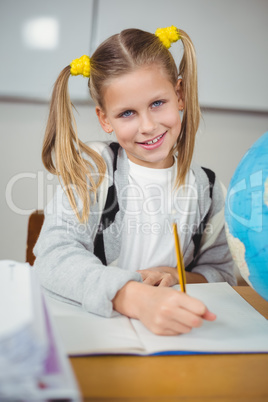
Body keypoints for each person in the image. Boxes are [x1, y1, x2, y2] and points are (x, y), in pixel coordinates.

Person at [34, 26, 236, 336]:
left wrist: (176, 275)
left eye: (158, 103)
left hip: (174, 338)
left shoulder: (207, 189)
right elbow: (53, 256)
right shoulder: (94, 170)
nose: (147, 126)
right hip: (98, 332)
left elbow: (222, 273)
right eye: (127, 112)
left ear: (179, 95)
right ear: (105, 120)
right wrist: (134, 296)